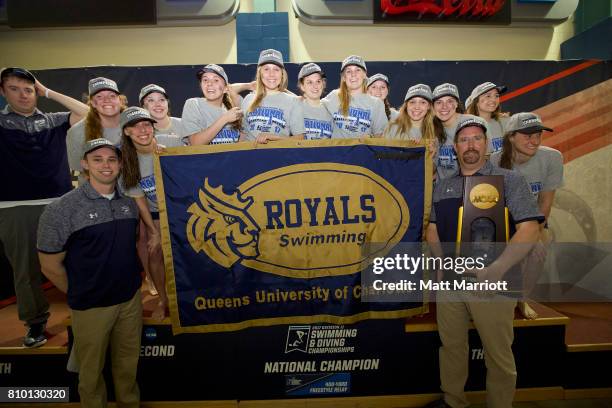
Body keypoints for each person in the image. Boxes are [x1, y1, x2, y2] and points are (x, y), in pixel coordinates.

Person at [425, 115, 543, 408]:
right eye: (464, 139)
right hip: (452, 284)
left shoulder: (510, 180)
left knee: (498, 354)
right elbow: (433, 228)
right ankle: (454, 402)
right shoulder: (444, 185)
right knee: (451, 347)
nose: (470, 145)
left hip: (495, 283)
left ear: (487, 144)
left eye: (477, 138)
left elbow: (530, 228)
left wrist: (497, 269)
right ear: (454, 147)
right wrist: (441, 264)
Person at [37, 138, 142, 408]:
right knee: (91, 375)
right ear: (84, 164)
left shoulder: (128, 204)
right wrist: (80, 291)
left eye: (111, 160)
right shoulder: (62, 208)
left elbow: (131, 247)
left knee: (127, 368)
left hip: (129, 302)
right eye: (97, 159)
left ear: (119, 164)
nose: (105, 165)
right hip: (91, 306)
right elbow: (49, 264)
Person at [0, 66, 88, 348]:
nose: (23, 95)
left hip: (60, 203)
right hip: (15, 206)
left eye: (28, 89)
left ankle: (84, 311)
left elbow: (88, 113)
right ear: (3, 92)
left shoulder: (54, 120)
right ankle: (35, 322)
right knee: (25, 270)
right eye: (14, 89)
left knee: (74, 261)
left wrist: (47, 90)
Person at [491, 112, 563, 319]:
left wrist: (534, 237)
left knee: (537, 253)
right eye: (527, 135)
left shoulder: (552, 157)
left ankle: (522, 299)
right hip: (502, 221)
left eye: (538, 135)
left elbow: (545, 203)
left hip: (533, 221)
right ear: (511, 137)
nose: (534, 141)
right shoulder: (495, 161)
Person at [121, 107, 184, 319]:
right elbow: (140, 201)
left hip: (182, 210)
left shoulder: (172, 143)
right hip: (157, 214)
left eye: (146, 124)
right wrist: (153, 232)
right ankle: (164, 300)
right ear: (127, 131)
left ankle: (190, 297)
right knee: (154, 252)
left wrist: (171, 156)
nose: (143, 130)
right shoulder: (128, 161)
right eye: (136, 126)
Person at [67, 77, 126, 184]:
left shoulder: (135, 124)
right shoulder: (77, 133)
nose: (107, 100)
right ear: (93, 103)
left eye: (112, 96)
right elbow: (79, 168)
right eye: (99, 97)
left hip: (133, 191)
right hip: (96, 193)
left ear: (120, 100)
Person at [242, 49, 305, 143]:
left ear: (282, 74)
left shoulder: (293, 101)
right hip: (250, 156)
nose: (271, 74)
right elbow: (242, 135)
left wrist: (276, 138)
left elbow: (300, 138)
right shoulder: (248, 99)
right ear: (260, 73)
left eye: (276, 69)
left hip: (279, 155)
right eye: (266, 69)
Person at [323, 55, 388, 139]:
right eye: (348, 71)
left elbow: (381, 136)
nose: (353, 74)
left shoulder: (376, 103)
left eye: (358, 70)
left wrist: (370, 138)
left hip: (363, 151)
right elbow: (313, 108)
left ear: (364, 74)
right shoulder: (334, 96)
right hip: (337, 151)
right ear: (343, 77)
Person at [181, 64, 246, 145]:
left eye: (216, 80)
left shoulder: (233, 108)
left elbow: (242, 142)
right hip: (204, 158)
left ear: (226, 88)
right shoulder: (194, 104)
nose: (209, 84)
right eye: (205, 80)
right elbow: (195, 143)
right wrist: (225, 119)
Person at [432, 83, 465, 180]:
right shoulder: (430, 129)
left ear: (456, 104)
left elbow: (486, 163)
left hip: (471, 187)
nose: (444, 106)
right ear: (433, 106)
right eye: (439, 102)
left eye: (450, 101)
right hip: (442, 190)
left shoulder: (473, 124)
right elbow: (432, 170)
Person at [465, 82, 509, 155]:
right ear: (476, 102)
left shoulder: (505, 121)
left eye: (496, 96)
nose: (494, 99)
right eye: (488, 96)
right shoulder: (466, 128)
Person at [297, 63, 333, 140]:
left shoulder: (330, 107)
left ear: (323, 84)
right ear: (302, 86)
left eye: (318, 81)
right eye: (310, 82)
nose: (315, 86)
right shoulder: (296, 107)